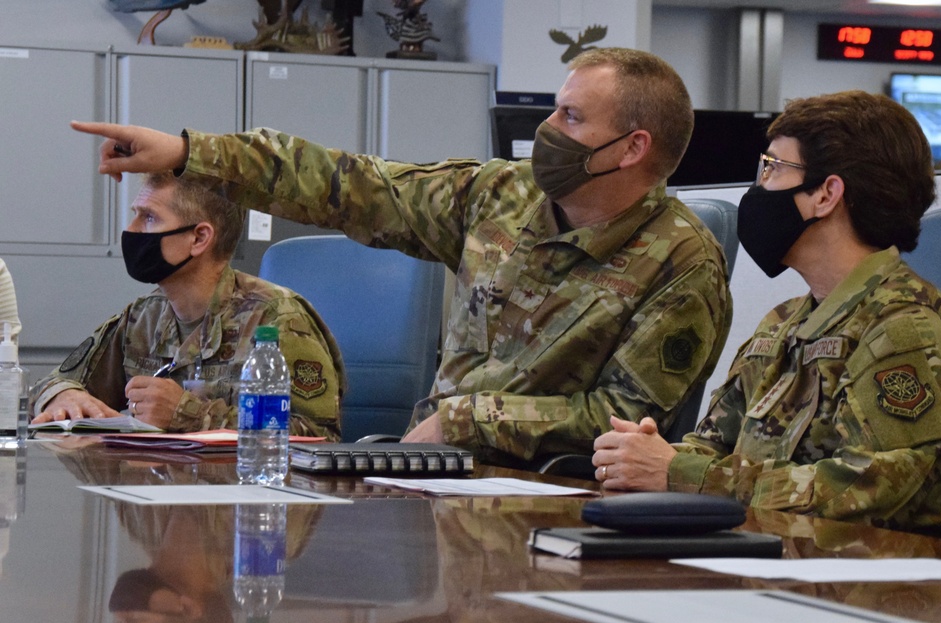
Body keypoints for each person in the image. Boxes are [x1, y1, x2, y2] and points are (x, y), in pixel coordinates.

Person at [70, 47, 732, 467]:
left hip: (550, 498)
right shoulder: (502, 195)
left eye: (571, 118)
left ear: (632, 146)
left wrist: (468, 416)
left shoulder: (682, 265)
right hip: (430, 475)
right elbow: (350, 183)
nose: (547, 132)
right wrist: (193, 154)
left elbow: (624, 424)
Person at [593, 90, 941, 534]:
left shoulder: (902, 326)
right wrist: (646, 456)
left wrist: (685, 475)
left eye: (773, 169)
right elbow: (713, 445)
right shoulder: (784, 322)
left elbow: (871, 487)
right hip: (758, 551)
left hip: (854, 578)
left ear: (826, 194)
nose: (759, 186)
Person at [30, 172, 345, 438]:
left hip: (245, 504)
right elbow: (61, 379)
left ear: (199, 238)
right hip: (155, 496)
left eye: (149, 218)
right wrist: (62, 395)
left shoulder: (276, 319)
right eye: (135, 214)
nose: (132, 230)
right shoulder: (144, 316)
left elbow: (318, 436)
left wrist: (187, 414)